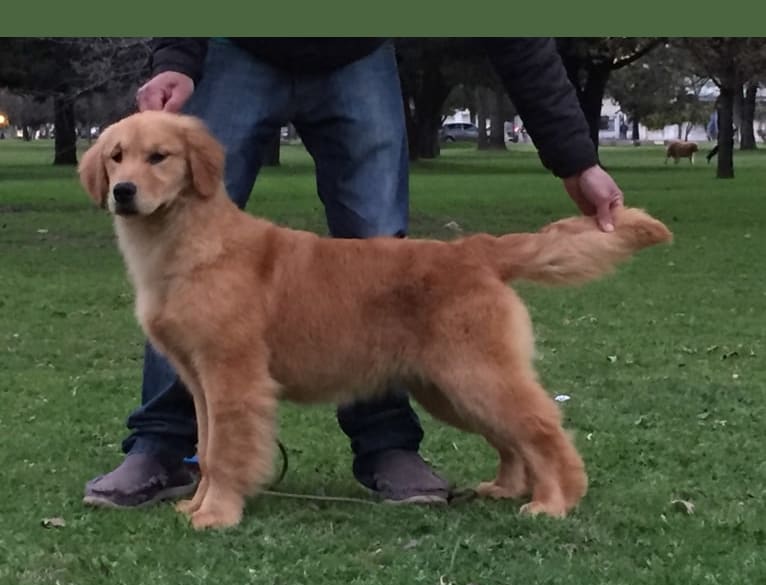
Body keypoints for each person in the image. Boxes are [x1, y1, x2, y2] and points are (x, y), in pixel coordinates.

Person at [83, 37, 624, 509]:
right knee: (206, 333)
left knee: (384, 250)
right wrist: (177, 55)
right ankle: (161, 446)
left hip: (355, 51)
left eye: (152, 158)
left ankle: (397, 448)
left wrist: (577, 158)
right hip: (235, 44)